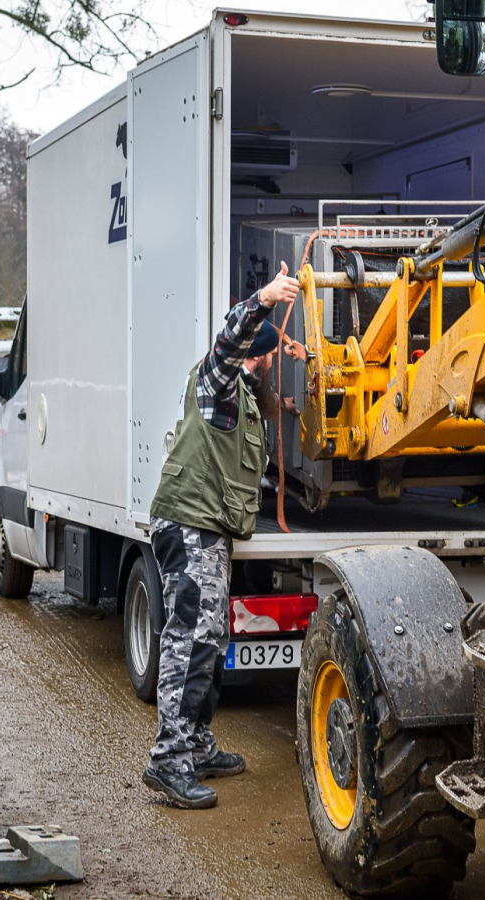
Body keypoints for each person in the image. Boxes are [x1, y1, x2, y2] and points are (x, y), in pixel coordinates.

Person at [142, 261, 300, 809]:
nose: (261, 361)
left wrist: (292, 363)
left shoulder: (242, 397)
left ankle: (198, 744)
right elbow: (231, 339)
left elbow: (254, 413)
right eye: (262, 353)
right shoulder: (218, 377)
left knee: (211, 639)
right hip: (188, 525)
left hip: (206, 529)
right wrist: (265, 298)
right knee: (189, 642)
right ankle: (168, 761)